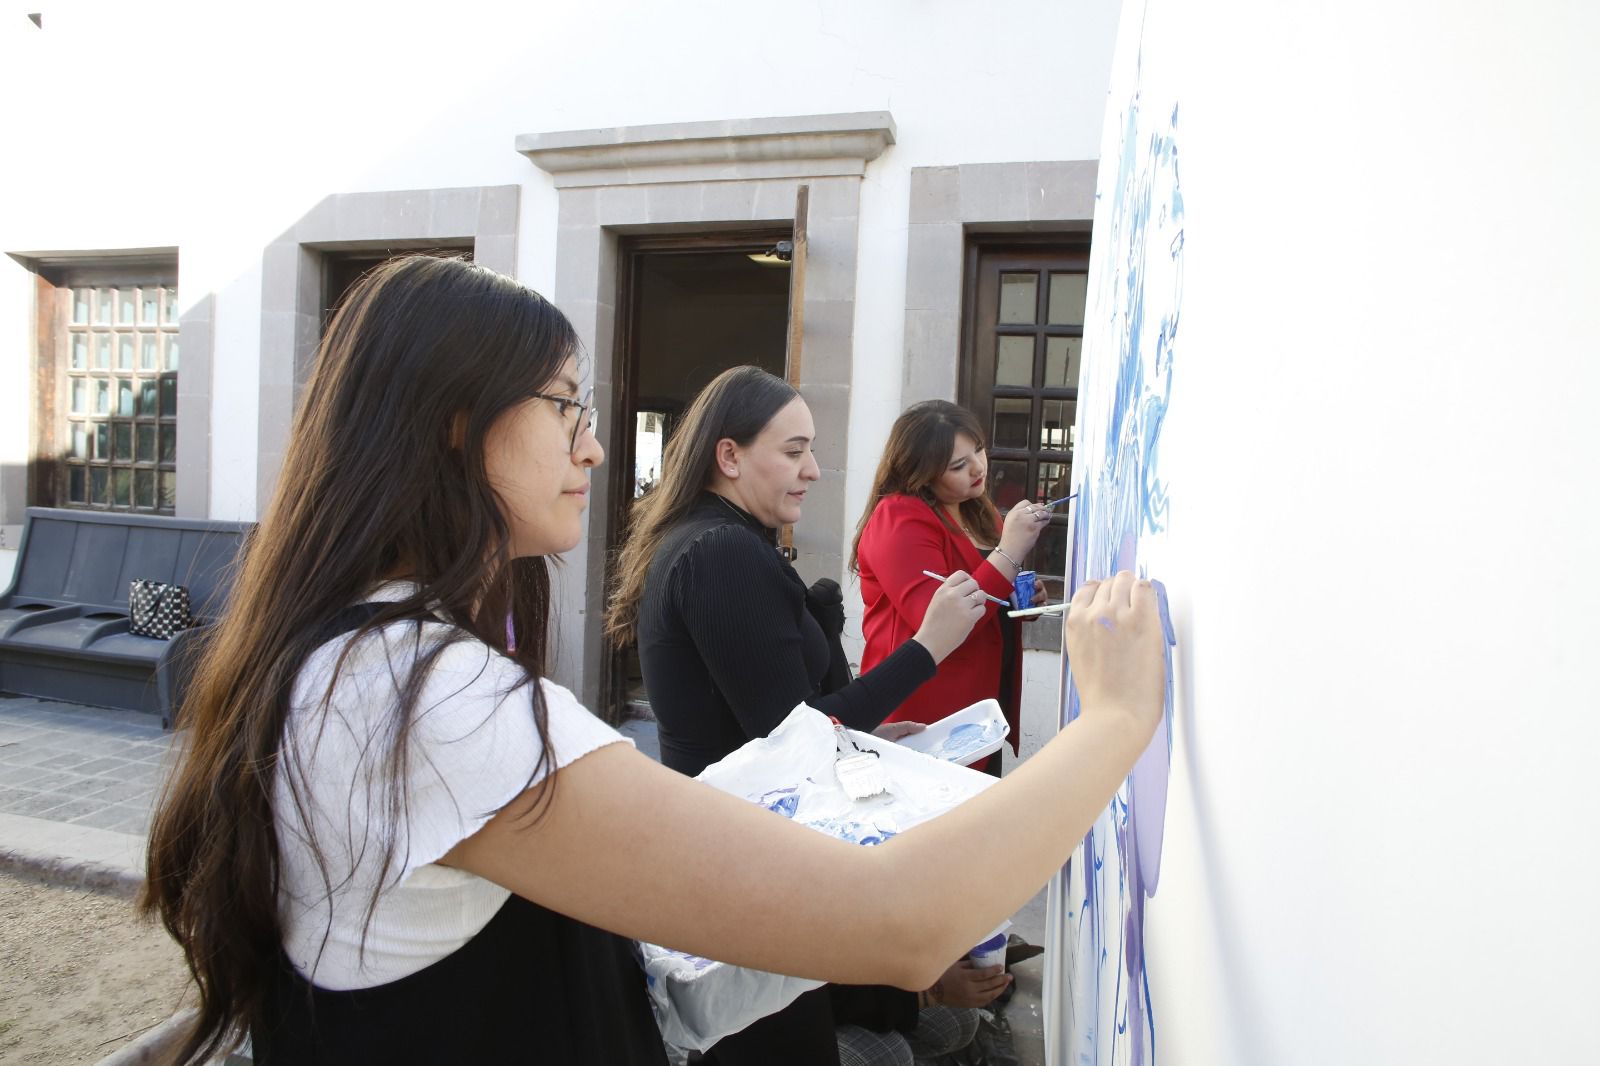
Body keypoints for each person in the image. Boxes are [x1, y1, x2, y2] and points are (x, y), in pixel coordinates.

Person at [141, 256, 1169, 1066]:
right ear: (456, 423)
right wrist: (1117, 718)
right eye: (566, 406)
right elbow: (902, 920)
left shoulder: (354, 660)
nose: (593, 447)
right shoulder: (428, 700)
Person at [606, 366, 1006, 1064]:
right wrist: (927, 648)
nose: (814, 470)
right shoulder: (720, 552)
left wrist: (868, 734)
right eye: (793, 451)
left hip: (754, 861)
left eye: (811, 450)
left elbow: (777, 716)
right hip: (745, 871)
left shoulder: (725, 542)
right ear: (729, 457)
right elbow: (791, 737)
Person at [850, 401, 1052, 773]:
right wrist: (1009, 552)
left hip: (981, 713)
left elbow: (987, 591)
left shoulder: (977, 510)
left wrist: (1020, 600)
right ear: (921, 473)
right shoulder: (898, 517)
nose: (978, 468)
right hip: (924, 720)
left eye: (979, 450)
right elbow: (938, 620)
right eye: (958, 465)